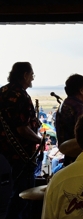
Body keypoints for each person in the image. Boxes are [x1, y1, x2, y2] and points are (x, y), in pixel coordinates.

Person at [0, 62, 42, 218]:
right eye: (31, 75)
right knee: (23, 194)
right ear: (25, 75)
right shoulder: (21, 95)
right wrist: (39, 139)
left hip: (5, 149)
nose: (32, 79)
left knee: (14, 189)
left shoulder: (2, 91)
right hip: (21, 152)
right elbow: (22, 129)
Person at [55, 74, 83, 167]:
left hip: (68, 150)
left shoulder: (64, 104)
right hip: (77, 153)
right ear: (81, 90)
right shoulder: (78, 107)